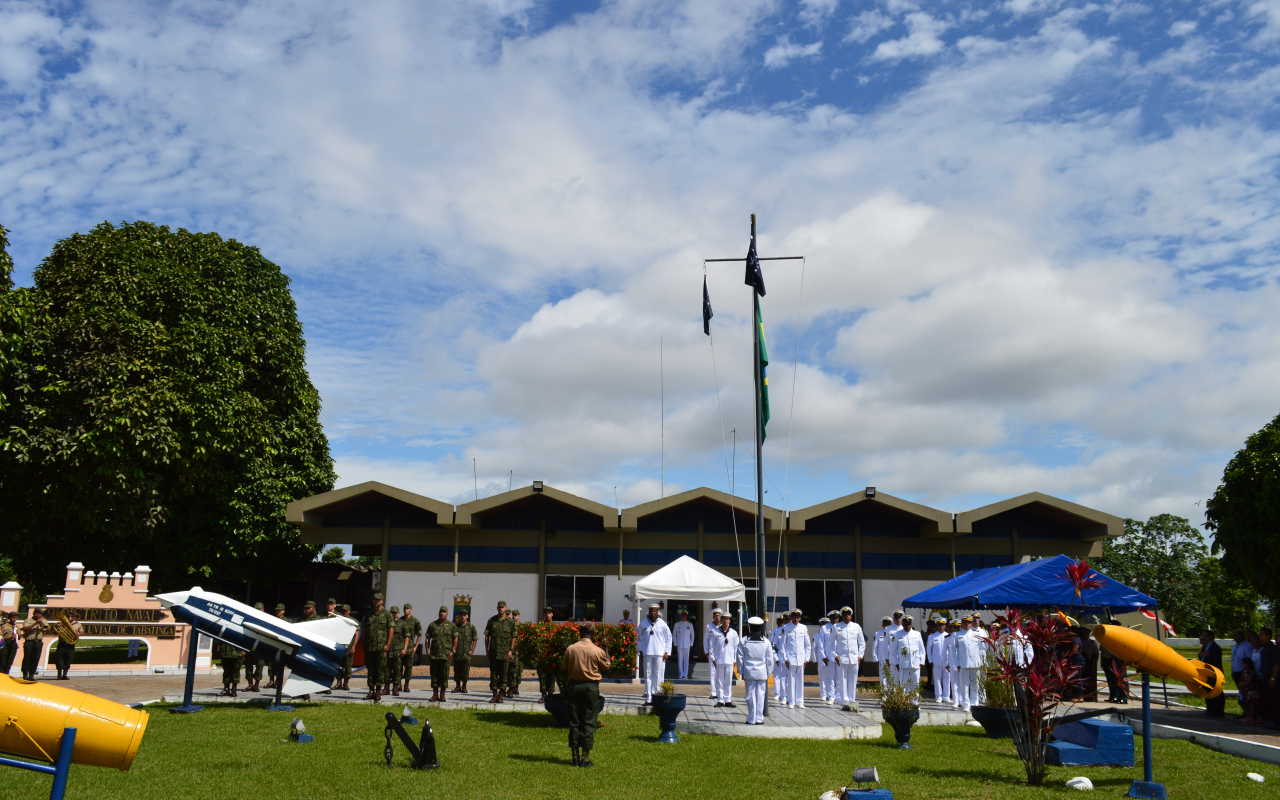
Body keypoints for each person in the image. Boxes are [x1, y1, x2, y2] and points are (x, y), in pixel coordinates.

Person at [563, 623, 611, 767]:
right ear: (593, 634)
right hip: (590, 688)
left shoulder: (571, 649)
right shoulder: (597, 650)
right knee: (589, 721)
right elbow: (607, 666)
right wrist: (606, 648)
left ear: (580, 633)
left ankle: (574, 757)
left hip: (574, 687)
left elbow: (564, 668)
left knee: (574, 720)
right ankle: (585, 758)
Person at [737, 616, 774, 724]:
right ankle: (759, 718)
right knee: (760, 695)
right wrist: (768, 672)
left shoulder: (744, 641)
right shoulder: (766, 642)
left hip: (749, 672)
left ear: (749, 627)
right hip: (762, 672)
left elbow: (739, 658)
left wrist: (741, 671)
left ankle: (751, 718)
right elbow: (770, 659)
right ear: (761, 628)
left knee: (750, 696)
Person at [830, 606, 865, 711]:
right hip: (842, 658)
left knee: (853, 680)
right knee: (842, 680)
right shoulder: (836, 627)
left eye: (848, 614)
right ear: (842, 616)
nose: (847, 616)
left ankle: (852, 699)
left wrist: (860, 656)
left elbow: (862, 643)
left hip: (854, 658)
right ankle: (843, 700)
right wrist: (835, 655)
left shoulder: (856, 626)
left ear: (851, 615)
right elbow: (831, 643)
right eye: (845, 614)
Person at [637, 603, 672, 705]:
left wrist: (667, 652)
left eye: (655, 611)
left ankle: (656, 696)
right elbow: (638, 638)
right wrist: (639, 651)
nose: (653, 613)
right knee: (647, 676)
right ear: (649, 612)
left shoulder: (662, 624)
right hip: (647, 653)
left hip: (659, 653)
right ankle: (648, 698)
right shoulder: (643, 624)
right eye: (651, 611)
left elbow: (668, 638)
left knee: (657, 675)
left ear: (657, 613)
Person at [362, 592, 393, 701]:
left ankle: (378, 691)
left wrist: (387, 645)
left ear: (381, 601)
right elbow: (364, 630)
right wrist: (363, 643)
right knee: (371, 669)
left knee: (380, 669)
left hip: (381, 647)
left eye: (377, 600)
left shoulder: (387, 614)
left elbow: (391, 629)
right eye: (374, 600)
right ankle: (371, 691)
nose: (375, 601)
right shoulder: (369, 614)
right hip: (370, 647)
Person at [484, 601, 517, 704]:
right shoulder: (492, 620)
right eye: (499, 607)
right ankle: (494, 695)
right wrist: (487, 649)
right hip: (494, 652)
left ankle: (501, 695)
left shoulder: (510, 622)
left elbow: (514, 637)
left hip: (505, 653)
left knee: (504, 675)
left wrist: (511, 650)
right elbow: (487, 635)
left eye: (502, 607)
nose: (500, 609)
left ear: (506, 609)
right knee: (493, 675)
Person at [780, 609, 811, 708]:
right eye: (794, 617)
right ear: (791, 618)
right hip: (790, 658)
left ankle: (800, 701)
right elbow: (782, 645)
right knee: (791, 680)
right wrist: (785, 659)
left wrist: (807, 658)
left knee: (800, 680)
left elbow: (808, 645)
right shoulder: (786, 627)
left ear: (800, 618)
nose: (796, 619)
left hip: (801, 658)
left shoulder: (803, 628)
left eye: (797, 617)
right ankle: (791, 701)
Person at [425, 605, 457, 702]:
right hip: (434, 654)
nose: (442, 613)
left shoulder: (451, 626)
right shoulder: (432, 625)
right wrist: (427, 651)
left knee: (444, 675)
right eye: (440, 611)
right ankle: (435, 694)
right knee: (434, 675)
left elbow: (455, 638)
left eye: (444, 612)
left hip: (446, 655)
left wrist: (453, 651)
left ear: (447, 614)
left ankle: (442, 695)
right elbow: (427, 638)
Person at [709, 613, 739, 707]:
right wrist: (713, 658)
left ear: (729, 621)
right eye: (724, 619)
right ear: (721, 620)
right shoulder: (715, 632)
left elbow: (736, 648)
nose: (725, 621)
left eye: (727, 619)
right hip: (719, 660)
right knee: (719, 681)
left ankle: (728, 699)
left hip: (730, 660)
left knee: (728, 681)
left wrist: (735, 660)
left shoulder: (733, 633)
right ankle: (720, 699)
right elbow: (711, 646)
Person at [892, 615, 926, 697]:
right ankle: (905, 703)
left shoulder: (917, 634)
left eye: (909, 624)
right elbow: (893, 652)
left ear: (911, 625)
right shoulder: (897, 634)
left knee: (915, 685)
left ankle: (915, 704)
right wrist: (897, 664)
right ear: (902, 624)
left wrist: (921, 663)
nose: (907, 626)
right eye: (905, 624)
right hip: (903, 665)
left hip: (915, 664)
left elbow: (922, 650)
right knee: (904, 685)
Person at [955, 616, 983, 711]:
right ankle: (966, 704)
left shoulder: (976, 634)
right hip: (963, 663)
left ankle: (975, 703)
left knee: (975, 684)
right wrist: (956, 663)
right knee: (964, 685)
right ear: (962, 624)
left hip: (975, 662)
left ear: (971, 624)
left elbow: (981, 649)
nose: (967, 624)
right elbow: (952, 650)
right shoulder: (957, 635)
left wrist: (981, 661)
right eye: (965, 622)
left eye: (969, 623)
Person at [1196, 630, 1225, 718]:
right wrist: (1201, 655)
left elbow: (1216, 662)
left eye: (1205, 636)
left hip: (1214, 673)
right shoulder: (1205, 647)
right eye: (1203, 636)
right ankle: (1210, 708)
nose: (1203, 638)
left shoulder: (1215, 647)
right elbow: (1201, 656)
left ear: (1211, 637)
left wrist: (1214, 674)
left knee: (1216, 692)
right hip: (1205, 672)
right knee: (1207, 690)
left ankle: (1218, 710)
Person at [398, 603, 423, 695]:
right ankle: (399, 685)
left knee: (408, 667)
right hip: (400, 647)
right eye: (405, 608)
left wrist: (415, 647)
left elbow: (419, 634)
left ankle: (406, 685)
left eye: (408, 609)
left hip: (409, 648)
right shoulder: (400, 621)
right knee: (398, 667)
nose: (406, 610)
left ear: (411, 610)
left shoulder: (415, 621)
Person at [1100, 618, 1127, 703]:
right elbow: (1102, 650)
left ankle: (1123, 697)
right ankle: (1113, 696)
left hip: (1117, 660)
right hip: (1107, 660)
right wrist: (1102, 661)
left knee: (1120, 679)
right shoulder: (1105, 636)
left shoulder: (1121, 637)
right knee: (1111, 679)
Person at [51, 611, 83, 681]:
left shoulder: (78, 624)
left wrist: (78, 634)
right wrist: (57, 628)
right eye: (68, 616)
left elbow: (82, 632)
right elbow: (55, 633)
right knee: (59, 658)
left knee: (68, 659)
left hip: (70, 644)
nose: (69, 618)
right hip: (62, 643)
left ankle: (64, 674)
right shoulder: (61, 624)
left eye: (72, 616)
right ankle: (59, 675)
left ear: (74, 617)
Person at [1256, 628, 1278, 724]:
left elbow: (1276, 665)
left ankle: (1276, 721)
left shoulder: (1272, 648)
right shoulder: (1264, 647)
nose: (1260, 636)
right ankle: (1269, 718)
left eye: (1262, 634)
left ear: (1268, 636)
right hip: (1264, 675)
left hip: (1270, 675)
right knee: (1266, 699)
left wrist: (1273, 679)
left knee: (1273, 699)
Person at [20, 609, 49, 680]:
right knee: (27, 657)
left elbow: (48, 630)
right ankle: (25, 674)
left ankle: (32, 674)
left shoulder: (44, 620)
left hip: (38, 642)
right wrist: (35, 623)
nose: (38, 615)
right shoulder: (28, 620)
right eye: (36, 613)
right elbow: (25, 629)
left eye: (39, 613)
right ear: (33, 613)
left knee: (36, 658)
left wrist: (43, 624)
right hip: (29, 641)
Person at [453, 611, 478, 694]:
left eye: (464, 615)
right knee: (457, 670)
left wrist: (472, 650)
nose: (463, 617)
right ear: (459, 617)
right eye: (461, 615)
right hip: (457, 653)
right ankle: (457, 686)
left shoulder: (471, 627)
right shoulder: (456, 627)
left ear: (467, 616)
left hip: (466, 653)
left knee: (465, 671)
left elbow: (474, 639)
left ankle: (464, 686)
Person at [266, 603, 289, 690]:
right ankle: (271, 681)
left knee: (280, 665)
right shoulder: (272, 620)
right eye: (276, 610)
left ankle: (277, 682)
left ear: (283, 611)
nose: (278, 612)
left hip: (281, 645)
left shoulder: (287, 621)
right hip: (272, 644)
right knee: (270, 664)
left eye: (279, 610)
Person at [537, 607, 558, 700]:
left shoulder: (555, 627)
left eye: (549, 613)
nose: (547, 615)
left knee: (552, 675)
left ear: (552, 614)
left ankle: (550, 694)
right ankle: (543, 694)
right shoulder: (540, 626)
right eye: (546, 613)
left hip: (552, 654)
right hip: (542, 654)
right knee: (542, 675)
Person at [927, 619, 948, 703]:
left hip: (947, 661)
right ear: (936, 626)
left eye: (942, 624)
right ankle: (938, 696)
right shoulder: (932, 636)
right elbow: (929, 650)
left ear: (945, 626)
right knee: (937, 679)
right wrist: (930, 660)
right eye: (939, 625)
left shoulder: (948, 635)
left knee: (947, 679)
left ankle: (946, 696)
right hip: (936, 661)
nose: (941, 626)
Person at [705, 608, 723, 699]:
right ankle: (713, 692)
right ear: (713, 617)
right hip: (712, 653)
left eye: (719, 616)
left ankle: (720, 691)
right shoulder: (709, 626)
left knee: (720, 673)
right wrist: (706, 652)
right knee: (713, 672)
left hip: (721, 653)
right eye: (716, 616)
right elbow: (706, 639)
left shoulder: (723, 627)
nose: (717, 617)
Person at [1238, 657, 1263, 723]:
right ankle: (1247, 715)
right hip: (1243, 688)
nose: (1242, 665)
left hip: (1249, 688)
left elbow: (1249, 681)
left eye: (1243, 663)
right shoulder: (1243, 671)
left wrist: (1242, 684)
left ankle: (1251, 717)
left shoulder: (1251, 672)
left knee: (1250, 703)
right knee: (1241, 702)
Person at [386, 606, 404, 696]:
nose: (393, 614)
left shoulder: (402, 623)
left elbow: (407, 636)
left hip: (397, 651)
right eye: (392, 612)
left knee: (397, 671)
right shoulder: (387, 622)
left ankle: (395, 688)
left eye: (395, 613)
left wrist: (404, 649)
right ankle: (386, 688)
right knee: (386, 670)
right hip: (388, 650)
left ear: (398, 613)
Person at [672, 610, 695, 679]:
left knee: (686, 660)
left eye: (685, 615)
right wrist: (675, 643)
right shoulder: (677, 624)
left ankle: (685, 674)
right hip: (679, 644)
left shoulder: (690, 624)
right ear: (680, 616)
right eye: (682, 615)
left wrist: (691, 644)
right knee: (680, 660)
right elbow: (674, 635)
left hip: (687, 644)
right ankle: (680, 674)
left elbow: (692, 635)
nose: (684, 617)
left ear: (687, 616)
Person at [770, 614, 788, 701]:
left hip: (787, 658)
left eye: (782, 621)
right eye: (779, 622)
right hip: (778, 657)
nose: (781, 623)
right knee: (777, 676)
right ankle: (777, 693)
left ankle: (785, 693)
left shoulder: (787, 630)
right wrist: (775, 658)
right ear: (777, 622)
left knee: (787, 677)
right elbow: (773, 646)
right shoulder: (774, 632)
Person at [507, 609, 523, 697]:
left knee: (518, 670)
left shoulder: (521, 627)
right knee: (512, 670)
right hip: (512, 651)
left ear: (519, 616)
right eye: (513, 615)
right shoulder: (511, 626)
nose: (515, 616)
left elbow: (522, 640)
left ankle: (516, 686)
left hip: (518, 651)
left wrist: (520, 651)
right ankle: (511, 688)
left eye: (516, 615)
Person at [338, 604, 355, 690]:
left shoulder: (353, 621)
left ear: (349, 611)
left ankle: (346, 683)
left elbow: (356, 635)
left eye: (345, 610)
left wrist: (353, 647)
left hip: (349, 646)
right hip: (340, 646)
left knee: (348, 667)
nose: (343, 612)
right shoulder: (338, 620)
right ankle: (339, 683)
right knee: (339, 666)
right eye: (342, 610)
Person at [872, 616, 892, 683]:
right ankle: (884, 693)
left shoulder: (894, 633)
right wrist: (876, 659)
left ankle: (892, 693)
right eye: (885, 624)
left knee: (892, 677)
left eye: (888, 624)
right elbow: (874, 647)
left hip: (892, 659)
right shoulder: (878, 634)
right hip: (882, 659)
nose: (887, 625)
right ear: (882, 625)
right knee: (883, 678)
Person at [0, 611, 18, 676]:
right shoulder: (5, 626)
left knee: (9, 661)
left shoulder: (16, 626)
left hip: (13, 645)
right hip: (5, 644)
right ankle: (2, 675)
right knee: (3, 661)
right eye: (13, 617)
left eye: (16, 617)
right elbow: (1, 637)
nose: (14, 619)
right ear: (10, 618)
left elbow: (19, 638)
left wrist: (19, 634)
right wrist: (10, 637)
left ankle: (7, 675)